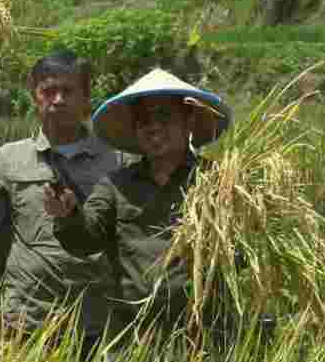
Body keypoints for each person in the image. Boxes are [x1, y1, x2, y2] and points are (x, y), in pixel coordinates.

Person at [46, 68, 231, 347]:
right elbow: (84, 241)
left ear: (188, 121)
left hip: (206, 337)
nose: (153, 127)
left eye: (164, 117)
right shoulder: (116, 185)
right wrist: (68, 215)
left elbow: (243, 252)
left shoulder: (221, 182)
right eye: (144, 120)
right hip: (133, 338)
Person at [0, 52, 122, 358]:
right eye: (48, 91)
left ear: (86, 99)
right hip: (26, 324)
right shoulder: (7, 160)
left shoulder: (115, 160)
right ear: (34, 98)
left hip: (97, 324)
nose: (58, 100)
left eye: (68, 91)